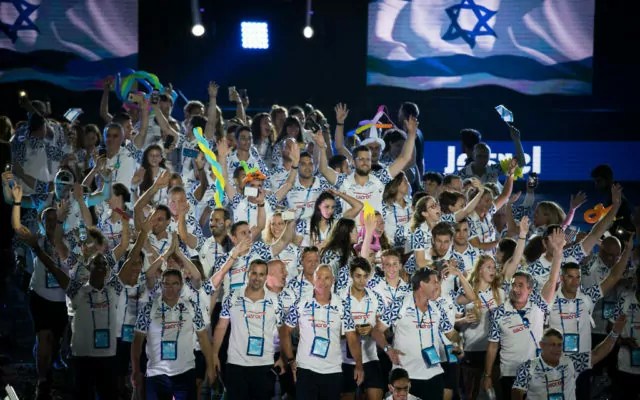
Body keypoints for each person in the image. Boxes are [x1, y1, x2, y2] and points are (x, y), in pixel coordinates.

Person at [482, 228, 565, 400]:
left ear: (530, 289)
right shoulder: (498, 313)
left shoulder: (538, 305)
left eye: (520, 285)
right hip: (509, 373)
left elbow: (552, 281)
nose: (515, 289)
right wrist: (488, 375)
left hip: (537, 371)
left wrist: (558, 253)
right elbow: (492, 346)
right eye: (513, 285)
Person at [371, 269, 463, 400]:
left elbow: (451, 333)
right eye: (434, 282)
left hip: (434, 374)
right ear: (422, 284)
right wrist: (388, 349)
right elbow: (376, 331)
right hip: (406, 377)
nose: (438, 286)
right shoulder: (400, 304)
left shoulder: (437, 307)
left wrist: (459, 343)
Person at [279, 264, 365, 399]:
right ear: (313, 279)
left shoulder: (342, 305)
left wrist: (359, 365)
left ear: (333, 280)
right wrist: (291, 360)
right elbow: (285, 331)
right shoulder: (301, 302)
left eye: (327, 278)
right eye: (319, 277)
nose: (322, 282)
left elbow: (352, 338)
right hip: (306, 369)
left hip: (332, 370)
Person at [131, 268, 214, 399]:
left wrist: (210, 366)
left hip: (185, 371)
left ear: (181, 285)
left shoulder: (192, 307)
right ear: (161, 285)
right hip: (156, 373)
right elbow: (137, 341)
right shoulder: (148, 308)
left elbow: (203, 338)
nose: (170, 288)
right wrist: (136, 369)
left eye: (175, 283)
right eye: (166, 283)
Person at [211, 259, 286, 400]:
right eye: (254, 273)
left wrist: (282, 357)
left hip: (264, 365)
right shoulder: (232, 297)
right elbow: (221, 326)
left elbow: (282, 331)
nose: (257, 278)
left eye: (261, 274)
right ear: (247, 273)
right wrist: (214, 354)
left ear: (266, 276)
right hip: (236, 364)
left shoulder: (275, 300)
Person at [339, 257, 387, 400]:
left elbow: (385, 330)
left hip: (370, 357)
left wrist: (372, 330)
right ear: (351, 275)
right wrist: (351, 332)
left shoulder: (376, 298)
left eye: (365, 276)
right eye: (358, 276)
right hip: (346, 360)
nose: (362, 281)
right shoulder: (339, 297)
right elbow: (332, 332)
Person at [511, 328, 577, 400]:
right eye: (552, 345)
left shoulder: (571, 361)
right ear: (542, 345)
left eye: (559, 345)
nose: (556, 349)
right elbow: (517, 392)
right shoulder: (528, 367)